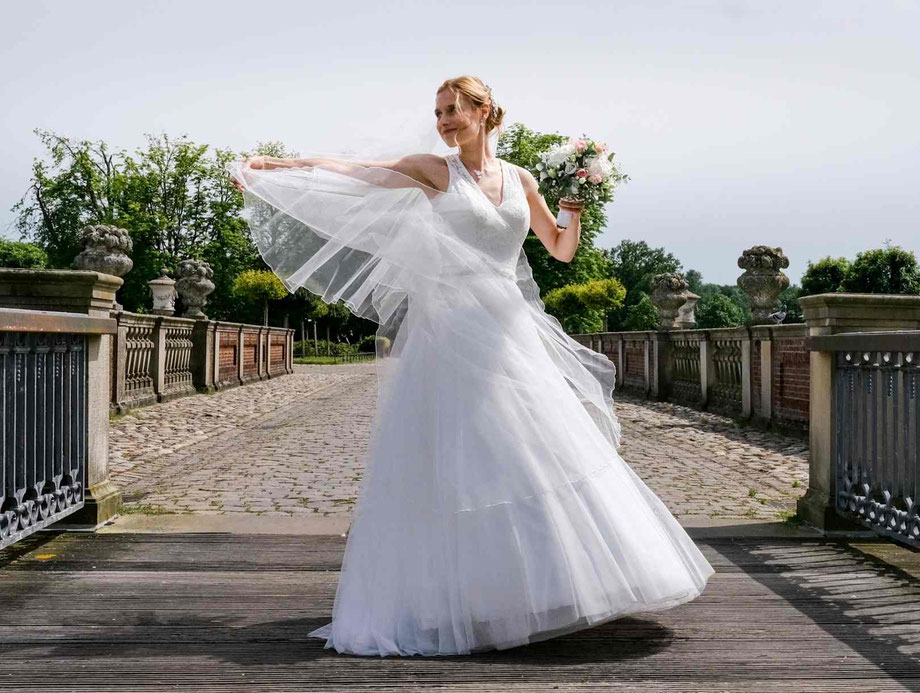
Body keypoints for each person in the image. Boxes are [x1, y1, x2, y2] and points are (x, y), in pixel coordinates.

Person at [227, 75, 714, 657]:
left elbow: (559, 248)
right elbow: (358, 172)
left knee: (531, 452)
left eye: (453, 111)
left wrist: (571, 207)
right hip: (450, 333)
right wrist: (279, 165)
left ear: (485, 113)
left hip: (509, 331)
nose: (444, 122)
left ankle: (544, 588)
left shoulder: (519, 178)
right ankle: (462, 599)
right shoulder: (434, 171)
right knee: (460, 459)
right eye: (438, 113)